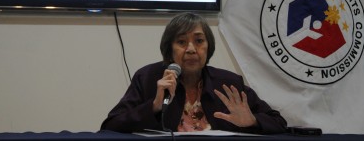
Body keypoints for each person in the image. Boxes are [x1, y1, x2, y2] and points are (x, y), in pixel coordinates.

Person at [100, 12, 287, 134]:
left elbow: (279, 122)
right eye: (181, 42)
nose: (191, 49)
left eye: (199, 41)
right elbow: (110, 127)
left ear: (208, 47)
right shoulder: (148, 78)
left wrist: (253, 121)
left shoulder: (227, 82)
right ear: (169, 49)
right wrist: (155, 106)